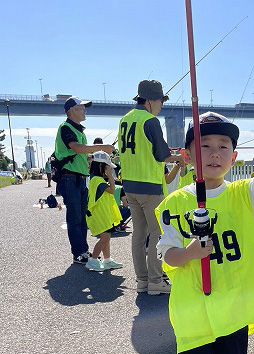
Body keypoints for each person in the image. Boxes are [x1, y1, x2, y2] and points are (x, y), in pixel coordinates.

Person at [156, 111, 254, 354]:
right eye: (204, 146)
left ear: (234, 157)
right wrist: (189, 253)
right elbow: (168, 256)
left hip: (234, 314)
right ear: (187, 156)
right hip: (193, 317)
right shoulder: (173, 203)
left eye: (223, 146)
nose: (215, 153)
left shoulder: (244, 194)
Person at [118, 79, 183, 295]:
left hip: (130, 185)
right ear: (151, 100)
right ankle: (156, 281)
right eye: (161, 101)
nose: (162, 106)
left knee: (138, 234)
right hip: (149, 186)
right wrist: (181, 158)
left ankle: (142, 281)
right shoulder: (150, 121)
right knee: (157, 233)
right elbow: (162, 155)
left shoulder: (125, 120)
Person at [55, 97, 115, 264]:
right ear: (71, 111)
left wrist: (96, 155)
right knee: (75, 218)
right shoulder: (66, 128)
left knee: (81, 217)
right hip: (70, 178)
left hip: (80, 178)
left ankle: (83, 251)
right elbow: (76, 148)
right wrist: (102, 147)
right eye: (81, 108)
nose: (84, 110)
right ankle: (79, 253)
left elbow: (80, 153)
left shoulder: (78, 130)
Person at [85, 151, 123, 271]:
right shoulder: (97, 181)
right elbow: (112, 190)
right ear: (102, 166)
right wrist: (111, 176)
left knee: (107, 237)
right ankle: (93, 260)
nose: (109, 170)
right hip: (99, 215)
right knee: (105, 238)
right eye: (107, 167)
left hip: (102, 214)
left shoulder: (95, 179)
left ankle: (107, 260)